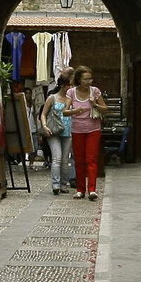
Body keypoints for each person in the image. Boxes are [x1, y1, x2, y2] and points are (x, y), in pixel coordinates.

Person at [64, 65, 106, 200]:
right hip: (77, 130)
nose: (89, 82)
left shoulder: (95, 91)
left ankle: (92, 189)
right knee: (79, 160)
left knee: (91, 159)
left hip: (93, 129)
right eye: (86, 79)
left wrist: (95, 105)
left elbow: (105, 109)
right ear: (79, 79)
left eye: (90, 79)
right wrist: (75, 111)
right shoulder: (71, 93)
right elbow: (65, 111)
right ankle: (80, 189)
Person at [40, 69, 74, 194]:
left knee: (66, 160)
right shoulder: (52, 98)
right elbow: (43, 114)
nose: (71, 87)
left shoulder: (71, 99)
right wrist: (44, 126)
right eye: (69, 84)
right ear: (62, 85)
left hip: (68, 131)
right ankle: (55, 185)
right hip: (53, 131)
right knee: (57, 158)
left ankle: (64, 184)